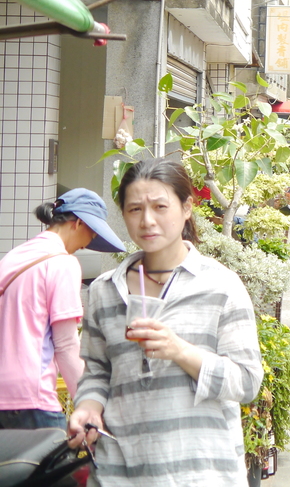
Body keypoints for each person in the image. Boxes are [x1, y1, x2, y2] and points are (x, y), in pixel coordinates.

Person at [68, 157, 262, 486]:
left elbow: (246, 381)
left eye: (160, 206)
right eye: (134, 210)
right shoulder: (104, 290)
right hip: (122, 473)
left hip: (202, 472)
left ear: (186, 208)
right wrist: (88, 406)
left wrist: (180, 350)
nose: (147, 221)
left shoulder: (220, 286)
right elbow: (97, 371)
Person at [0, 190, 125, 429]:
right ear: (78, 222)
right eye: (93, 233)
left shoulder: (13, 258)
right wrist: (86, 405)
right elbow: (66, 344)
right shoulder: (62, 263)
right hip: (31, 396)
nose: (88, 243)